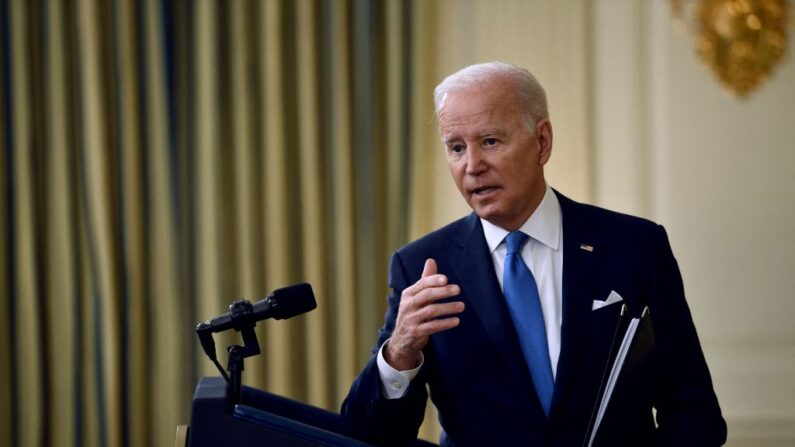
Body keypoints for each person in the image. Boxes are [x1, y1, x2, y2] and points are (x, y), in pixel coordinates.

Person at [341, 62, 727, 446]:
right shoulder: (423, 266)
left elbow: (695, 416)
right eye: (456, 148)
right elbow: (370, 437)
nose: (472, 166)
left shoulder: (635, 247)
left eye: (490, 141)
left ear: (542, 142)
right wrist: (400, 351)